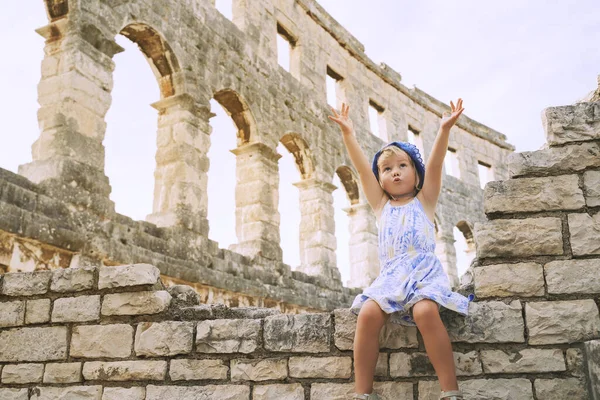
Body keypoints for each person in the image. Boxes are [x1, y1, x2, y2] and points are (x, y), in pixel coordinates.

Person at [329, 99, 472, 400]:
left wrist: (444, 130)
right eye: (386, 169)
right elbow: (360, 169)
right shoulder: (381, 205)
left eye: (402, 166)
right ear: (380, 178)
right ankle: (362, 392)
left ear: (416, 175)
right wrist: (348, 135)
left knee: (424, 310)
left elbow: (435, 163)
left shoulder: (425, 201)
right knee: (367, 313)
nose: (394, 173)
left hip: (423, 275)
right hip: (392, 276)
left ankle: (450, 390)